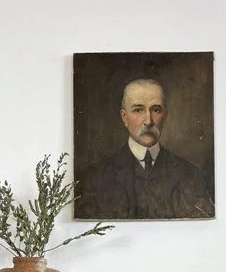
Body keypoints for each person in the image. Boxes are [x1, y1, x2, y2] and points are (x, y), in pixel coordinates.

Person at [75, 78, 214, 220]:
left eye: (156, 110)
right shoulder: (94, 178)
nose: (148, 121)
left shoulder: (191, 174)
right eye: (138, 110)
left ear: (165, 116)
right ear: (124, 118)